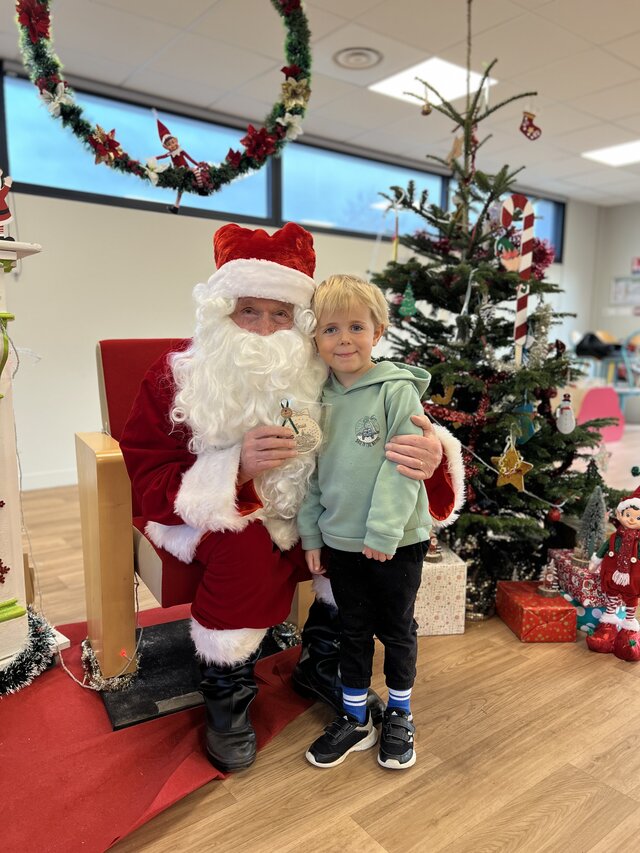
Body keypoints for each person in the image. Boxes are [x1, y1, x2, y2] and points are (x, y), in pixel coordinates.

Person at [119, 222, 464, 774]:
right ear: (222, 312)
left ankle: (322, 661)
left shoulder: (323, 363)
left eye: (280, 314)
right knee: (245, 550)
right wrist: (234, 468)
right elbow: (147, 473)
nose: (263, 329)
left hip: (316, 508)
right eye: (248, 311)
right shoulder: (178, 375)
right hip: (212, 513)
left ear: (301, 320)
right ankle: (227, 691)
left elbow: (389, 410)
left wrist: (429, 452)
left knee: (345, 538)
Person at [298, 275, 459, 771]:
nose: (344, 339)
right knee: (352, 631)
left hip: (397, 541)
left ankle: (399, 713)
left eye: (356, 327)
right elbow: (308, 473)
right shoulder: (315, 399)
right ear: (315, 338)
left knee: (396, 629)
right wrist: (311, 534)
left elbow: (404, 466)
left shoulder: (397, 391)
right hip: (340, 541)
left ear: (378, 331)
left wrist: (383, 533)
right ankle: (355, 719)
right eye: (330, 329)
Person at [586, 486, 640, 661]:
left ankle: (628, 630)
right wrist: (595, 562)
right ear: (619, 514)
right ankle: (607, 626)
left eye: (638, 517)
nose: (631, 520)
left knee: (631, 599)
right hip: (612, 574)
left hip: (633, 578)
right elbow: (603, 549)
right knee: (612, 596)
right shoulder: (614, 537)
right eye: (628, 515)